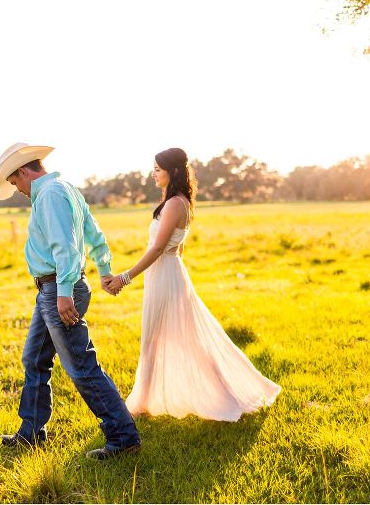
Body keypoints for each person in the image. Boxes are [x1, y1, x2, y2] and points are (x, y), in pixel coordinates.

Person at [107, 147, 282, 420]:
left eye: (157, 170)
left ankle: (144, 401)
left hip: (165, 273)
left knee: (160, 336)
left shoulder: (176, 203)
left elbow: (157, 249)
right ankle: (143, 399)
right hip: (168, 273)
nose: (153, 175)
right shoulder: (177, 201)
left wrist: (124, 278)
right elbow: (177, 249)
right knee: (161, 335)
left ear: (173, 171)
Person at [0, 142, 142, 460]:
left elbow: (65, 247)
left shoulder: (49, 195)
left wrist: (62, 295)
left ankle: (123, 437)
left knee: (81, 366)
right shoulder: (66, 189)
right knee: (34, 360)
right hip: (52, 291)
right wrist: (103, 270)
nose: (16, 188)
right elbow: (95, 234)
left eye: (14, 181)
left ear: (23, 171)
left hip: (60, 291)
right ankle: (31, 433)